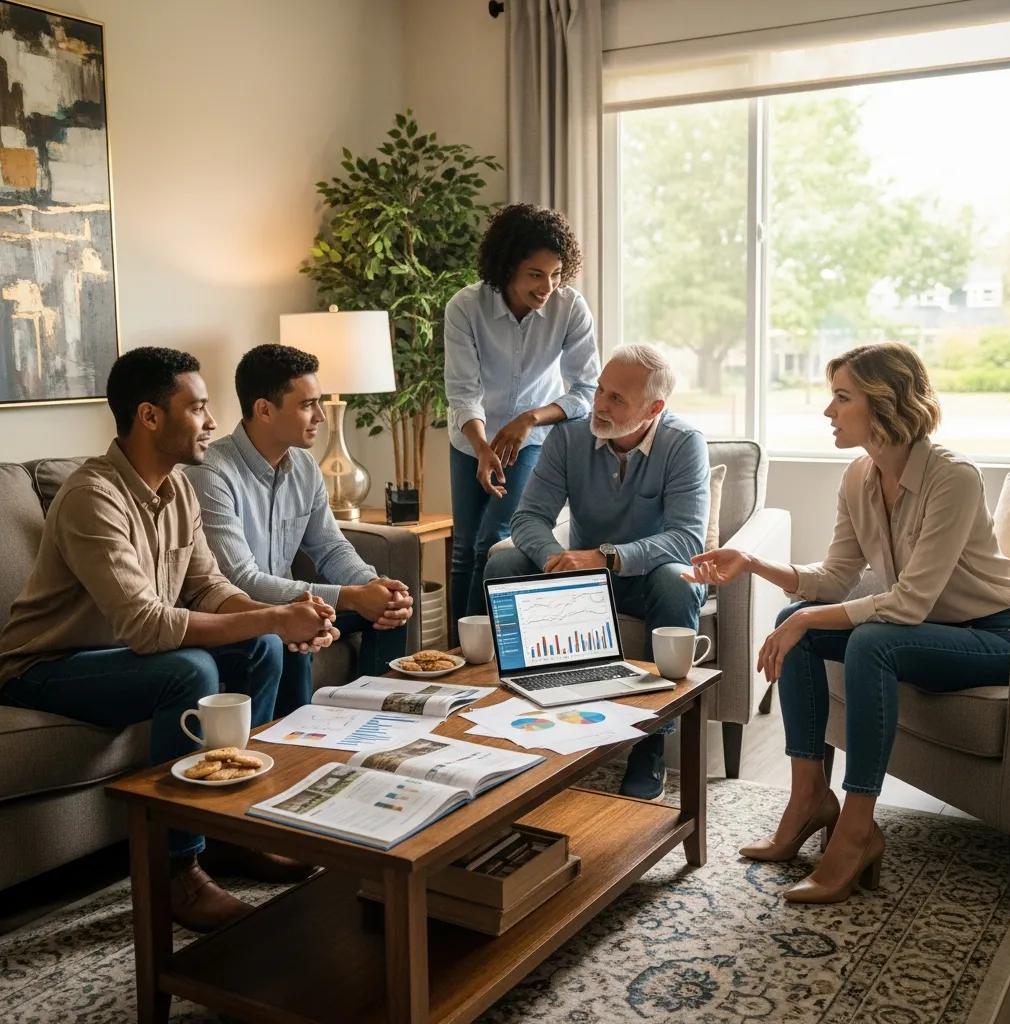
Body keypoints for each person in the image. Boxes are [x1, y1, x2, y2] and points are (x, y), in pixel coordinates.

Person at [0, 348, 341, 933]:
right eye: (199, 408)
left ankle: (230, 831)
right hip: (47, 665)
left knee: (258, 648)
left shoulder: (178, 489)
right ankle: (174, 872)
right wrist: (271, 619)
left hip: (117, 653)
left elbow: (208, 587)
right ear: (150, 417)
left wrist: (281, 616)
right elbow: (147, 625)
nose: (211, 422)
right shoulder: (93, 497)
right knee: (190, 672)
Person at [685, 342, 1010, 903]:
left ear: (885, 403)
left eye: (842, 398)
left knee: (869, 643)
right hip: (921, 633)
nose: (828, 411)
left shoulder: (953, 478)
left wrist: (808, 618)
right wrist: (752, 564)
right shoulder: (858, 478)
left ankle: (859, 828)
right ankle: (809, 797)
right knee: (801, 623)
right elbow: (835, 575)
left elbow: (910, 602)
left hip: (995, 636)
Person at [484, 344, 710, 800]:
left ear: (654, 409)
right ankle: (511, 724)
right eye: (600, 391)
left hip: (648, 581)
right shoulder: (568, 438)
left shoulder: (684, 443)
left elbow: (687, 540)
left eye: (616, 399)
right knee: (504, 560)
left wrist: (605, 556)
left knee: (676, 578)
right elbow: (529, 519)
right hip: (583, 581)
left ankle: (649, 749)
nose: (599, 406)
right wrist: (555, 559)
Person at [184, 344, 414, 706]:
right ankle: (298, 744)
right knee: (291, 632)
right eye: (307, 405)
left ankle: (376, 722)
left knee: (387, 609)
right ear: (264, 410)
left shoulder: (305, 468)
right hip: (244, 617)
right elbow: (242, 581)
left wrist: (372, 585)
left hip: (295, 605)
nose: (320, 416)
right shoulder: (210, 473)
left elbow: (331, 547)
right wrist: (351, 597)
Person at [445, 202, 600, 619]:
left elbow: (587, 389)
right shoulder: (465, 308)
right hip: (469, 439)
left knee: (493, 540)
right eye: (535, 274)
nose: (547, 286)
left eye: (555, 274)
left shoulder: (570, 308)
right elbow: (462, 392)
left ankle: (490, 651)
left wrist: (530, 418)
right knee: (463, 547)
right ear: (507, 267)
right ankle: (458, 652)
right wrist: (481, 446)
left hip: (531, 440)